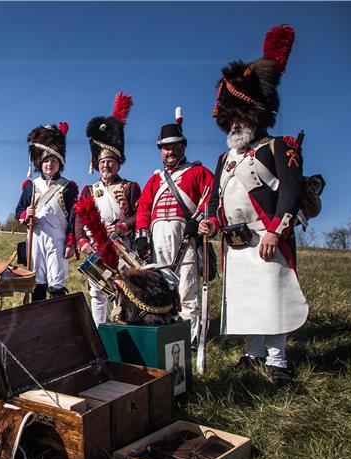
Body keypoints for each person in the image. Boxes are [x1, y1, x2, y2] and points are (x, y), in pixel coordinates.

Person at [200, 25, 307, 386]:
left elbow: (290, 193)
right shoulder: (223, 159)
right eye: (230, 119)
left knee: (273, 299)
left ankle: (277, 361)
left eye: (241, 117)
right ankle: (253, 353)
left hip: (267, 236)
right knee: (246, 300)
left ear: (256, 114)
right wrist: (211, 225)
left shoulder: (280, 147)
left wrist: (276, 231)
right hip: (236, 241)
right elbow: (218, 202)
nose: (235, 124)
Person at [135, 107, 214, 344]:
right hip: (158, 236)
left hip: (186, 235)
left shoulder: (199, 172)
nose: (170, 151)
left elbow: (211, 201)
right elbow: (144, 210)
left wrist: (197, 221)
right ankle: (168, 332)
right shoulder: (155, 180)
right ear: (160, 150)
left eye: (175, 146)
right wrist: (141, 237)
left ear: (183, 147)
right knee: (163, 288)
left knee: (187, 287)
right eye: (166, 147)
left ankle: (189, 338)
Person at [74, 93, 142, 325]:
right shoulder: (88, 190)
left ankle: (123, 329)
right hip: (96, 246)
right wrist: (82, 242)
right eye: (102, 162)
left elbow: (139, 216)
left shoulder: (131, 187)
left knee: (125, 290)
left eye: (110, 162)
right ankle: (100, 330)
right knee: (97, 291)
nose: (106, 166)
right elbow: (79, 220)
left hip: (123, 246)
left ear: (118, 163)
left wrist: (123, 227)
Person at [14, 122, 78, 301]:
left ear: (60, 163)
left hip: (57, 239)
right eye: (46, 160)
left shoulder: (68, 187)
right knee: (37, 281)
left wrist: (71, 242)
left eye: (54, 160)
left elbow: (73, 218)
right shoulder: (31, 186)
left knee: (57, 282)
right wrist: (25, 215)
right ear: (40, 163)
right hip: (34, 239)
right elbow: (18, 210)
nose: (50, 164)